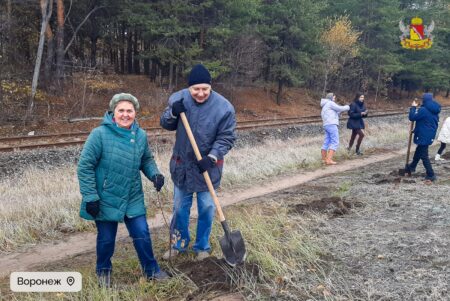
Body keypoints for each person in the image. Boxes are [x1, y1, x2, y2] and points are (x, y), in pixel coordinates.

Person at [77, 93, 169, 287]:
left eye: (129, 111)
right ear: (113, 112)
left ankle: (152, 271)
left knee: (142, 233)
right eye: (121, 110)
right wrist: (91, 196)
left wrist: (155, 175)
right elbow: (84, 166)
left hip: (133, 195)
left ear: (135, 113)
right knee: (106, 239)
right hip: (106, 196)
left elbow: (146, 160)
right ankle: (103, 274)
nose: (125, 114)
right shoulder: (99, 134)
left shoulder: (140, 135)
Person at [160, 64, 236, 261]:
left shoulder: (224, 107)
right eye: (196, 89)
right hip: (183, 167)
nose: (200, 93)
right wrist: (173, 113)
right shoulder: (178, 99)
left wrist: (212, 157)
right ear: (189, 88)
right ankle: (179, 244)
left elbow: (227, 137)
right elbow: (166, 123)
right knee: (179, 208)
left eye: (204, 89)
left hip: (208, 168)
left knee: (207, 208)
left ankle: (202, 246)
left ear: (211, 87)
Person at [406, 93, 441, 182]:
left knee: (424, 155)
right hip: (428, 135)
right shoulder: (434, 109)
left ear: (424, 100)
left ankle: (431, 174)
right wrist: (416, 130)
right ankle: (412, 167)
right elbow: (427, 123)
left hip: (424, 135)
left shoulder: (424, 110)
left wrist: (413, 107)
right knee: (419, 150)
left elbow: (412, 117)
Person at [320, 92, 350, 165]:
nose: (334, 99)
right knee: (335, 141)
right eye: (334, 97)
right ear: (330, 98)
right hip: (332, 125)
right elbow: (340, 108)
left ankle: (324, 159)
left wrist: (339, 113)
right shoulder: (330, 103)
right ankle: (329, 160)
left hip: (326, 125)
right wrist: (348, 107)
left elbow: (334, 113)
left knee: (327, 141)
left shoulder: (325, 106)